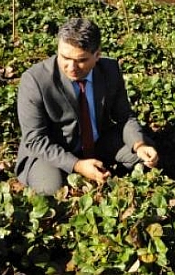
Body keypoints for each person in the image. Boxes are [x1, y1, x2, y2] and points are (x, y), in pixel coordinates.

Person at [15, 18, 159, 195]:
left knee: (144, 160)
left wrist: (139, 145)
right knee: (52, 190)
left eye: (81, 60)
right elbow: (35, 139)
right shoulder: (35, 80)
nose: (71, 67)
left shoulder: (110, 70)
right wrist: (77, 165)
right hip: (52, 151)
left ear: (97, 55)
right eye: (65, 57)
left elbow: (125, 116)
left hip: (98, 142)